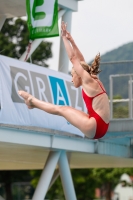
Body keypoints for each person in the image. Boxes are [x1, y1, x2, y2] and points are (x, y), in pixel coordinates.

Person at [18, 21, 110, 139]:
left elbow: (73, 58)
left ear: (79, 74)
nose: (72, 79)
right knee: (65, 109)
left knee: (62, 109)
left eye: (72, 75)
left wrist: (64, 38)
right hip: (101, 125)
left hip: (95, 125)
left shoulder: (88, 81)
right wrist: (71, 40)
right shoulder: (91, 79)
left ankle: (32, 102)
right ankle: (32, 102)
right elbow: (80, 60)